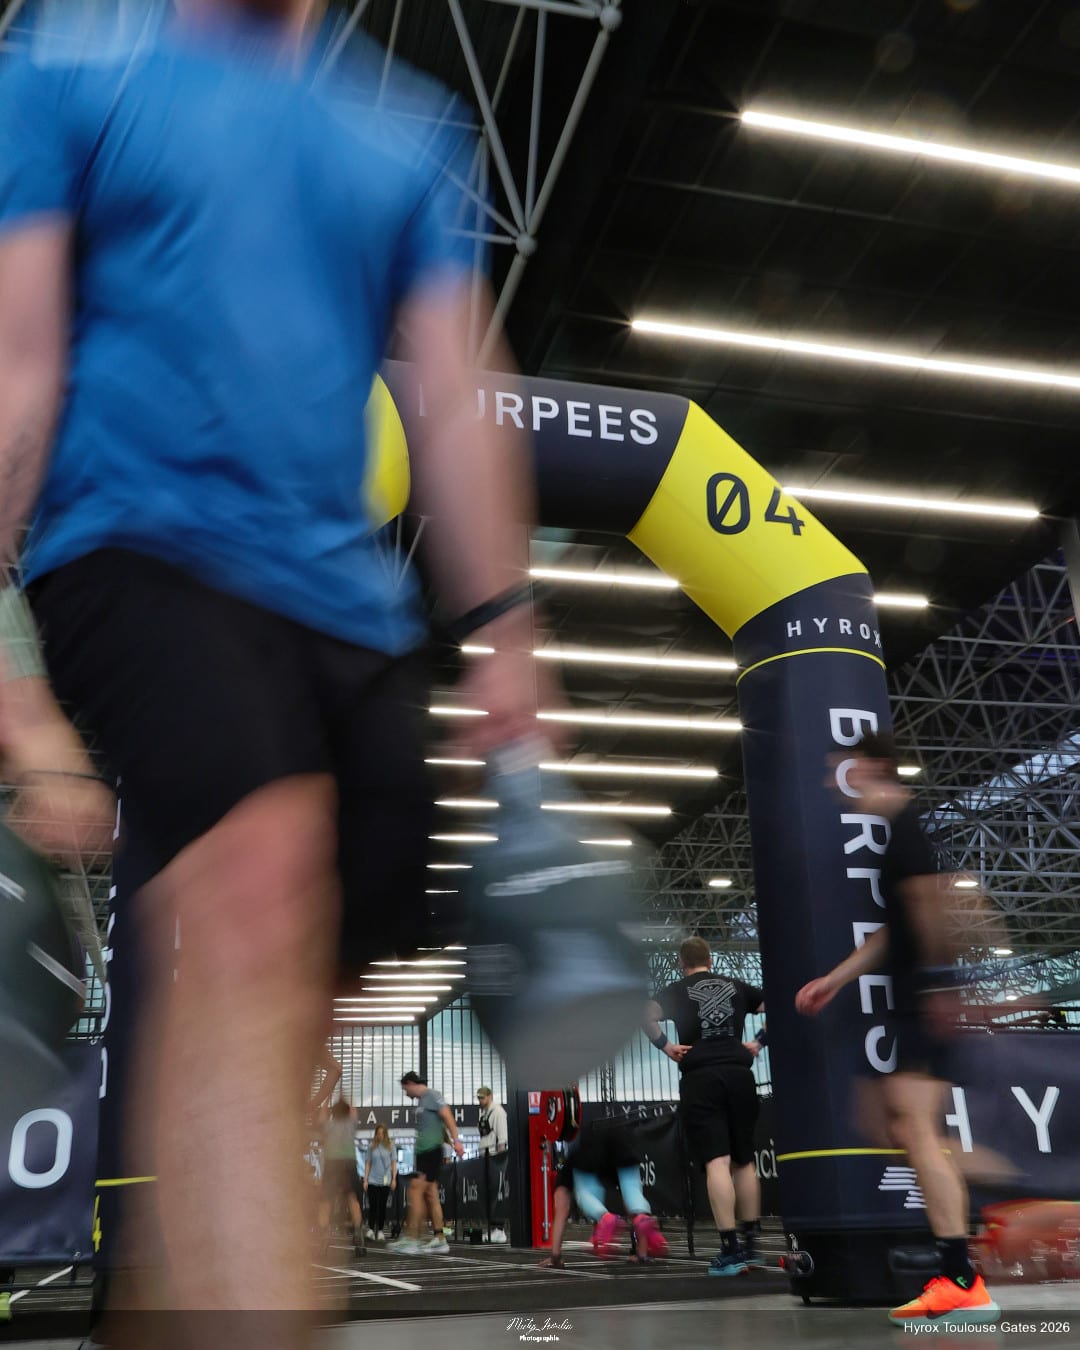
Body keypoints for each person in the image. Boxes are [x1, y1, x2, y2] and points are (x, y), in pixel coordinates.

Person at [0, 0, 549, 1336]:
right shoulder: (67, 68)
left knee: (307, 982)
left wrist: (507, 628)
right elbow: (17, 365)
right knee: (262, 874)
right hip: (132, 544)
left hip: (347, 609)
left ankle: (170, 1307)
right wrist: (13, 676)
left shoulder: (409, 134)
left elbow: (457, 392)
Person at [795, 732, 999, 1326]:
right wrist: (834, 979)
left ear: (874, 766)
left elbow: (932, 906)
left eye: (843, 769)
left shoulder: (907, 829)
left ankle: (960, 1276)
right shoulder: (895, 836)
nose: (835, 782)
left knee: (913, 1128)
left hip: (920, 1001)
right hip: (914, 998)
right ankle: (980, 1211)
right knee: (890, 1126)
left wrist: (938, 985)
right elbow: (894, 931)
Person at [646, 935, 765, 1276]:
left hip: (701, 1079)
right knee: (744, 1161)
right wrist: (759, 1041)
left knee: (717, 1161)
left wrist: (666, 1046)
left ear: (682, 963)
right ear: (710, 960)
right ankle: (752, 1247)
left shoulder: (676, 990)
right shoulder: (737, 986)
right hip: (740, 1075)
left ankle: (730, 1250)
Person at [565, 1117, 667, 1262]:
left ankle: (604, 1218)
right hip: (620, 1138)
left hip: (589, 1142)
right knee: (632, 1192)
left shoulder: (583, 1139)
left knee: (586, 1192)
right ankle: (642, 1245)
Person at [391, 1071, 464, 1255]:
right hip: (423, 1153)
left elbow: (447, 1116)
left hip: (432, 1151)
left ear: (410, 1083)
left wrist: (456, 1141)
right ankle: (439, 1238)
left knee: (415, 1190)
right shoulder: (422, 1101)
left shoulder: (432, 1095)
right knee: (431, 1195)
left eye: (405, 1089)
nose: (405, 1093)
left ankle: (411, 1239)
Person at [319, 1101, 363, 1257]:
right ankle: (358, 1234)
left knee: (325, 1202)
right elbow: (353, 1111)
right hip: (348, 1163)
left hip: (332, 1164)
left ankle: (324, 1236)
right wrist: (348, 1100)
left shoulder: (328, 1126)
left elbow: (322, 1114)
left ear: (333, 1113)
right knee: (352, 1199)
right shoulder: (351, 1125)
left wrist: (326, 1101)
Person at [476, 1084, 509, 1243]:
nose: (480, 1100)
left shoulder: (498, 1112)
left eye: (482, 1098)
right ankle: (493, 1228)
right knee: (488, 1194)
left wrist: (500, 1160)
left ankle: (499, 1229)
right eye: (479, 1098)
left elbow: (502, 1137)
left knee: (496, 1194)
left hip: (495, 1157)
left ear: (490, 1097)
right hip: (485, 1156)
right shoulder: (484, 1113)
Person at [363, 1124, 397, 1242]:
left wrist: (394, 1179)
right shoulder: (371, 1146)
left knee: (382, 1205)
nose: (380, 1135)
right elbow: (368, 1163)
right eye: (378, 1133)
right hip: (372, 1179)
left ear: (385, 1134)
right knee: (373, 1205)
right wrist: (365, 1179)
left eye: (382, 1133)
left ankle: (381, 1230)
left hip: (385, 1179)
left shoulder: (391, 1146)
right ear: (376, 1134)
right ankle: (371, 1229)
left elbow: (393, 1163)